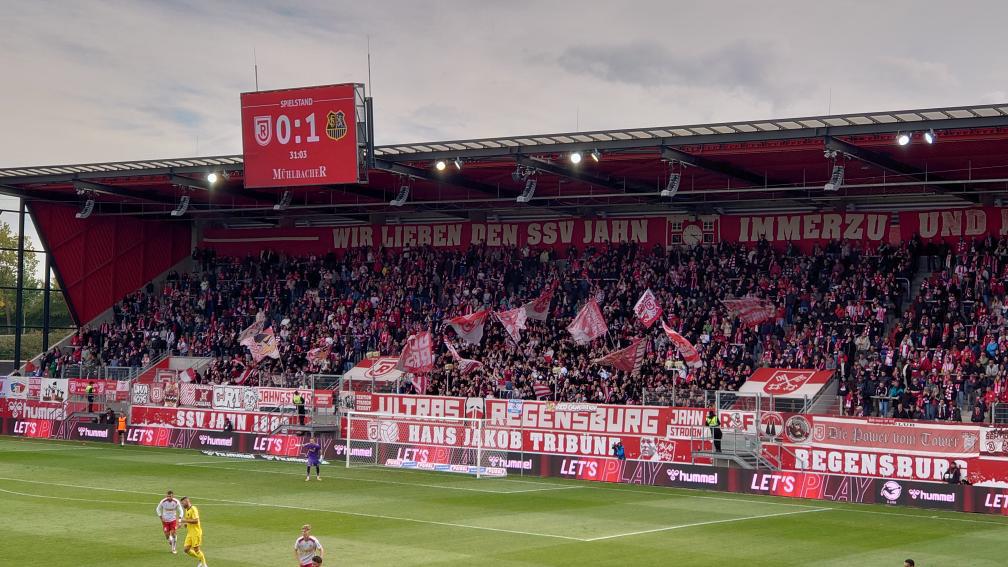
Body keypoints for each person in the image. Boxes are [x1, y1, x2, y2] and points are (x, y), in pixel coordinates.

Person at [180, 496, 208, 567]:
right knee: (186, 550)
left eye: (183, 503)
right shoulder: (187, 510)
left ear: (187, 502)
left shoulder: (193, 509)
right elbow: (189, 519)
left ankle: (204, 564)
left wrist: (185, 521)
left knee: (196, 549)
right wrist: (186, 524)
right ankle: (200, 558)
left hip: (196, 532)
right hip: (190, 533)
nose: (182, 505)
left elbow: (196, 521)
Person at [155, 489, 182, 554]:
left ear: (173, 496)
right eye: (167, 496)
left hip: (173, 520)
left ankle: (174, 548)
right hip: (165, 521)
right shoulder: (163, 501)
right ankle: (170, 541)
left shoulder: (176, 502)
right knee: (167, 535)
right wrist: (161, 518)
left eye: (170, 496)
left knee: (173, 533)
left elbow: (181, 511)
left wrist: (180, 520)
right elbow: (158, 509)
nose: (168, 497)